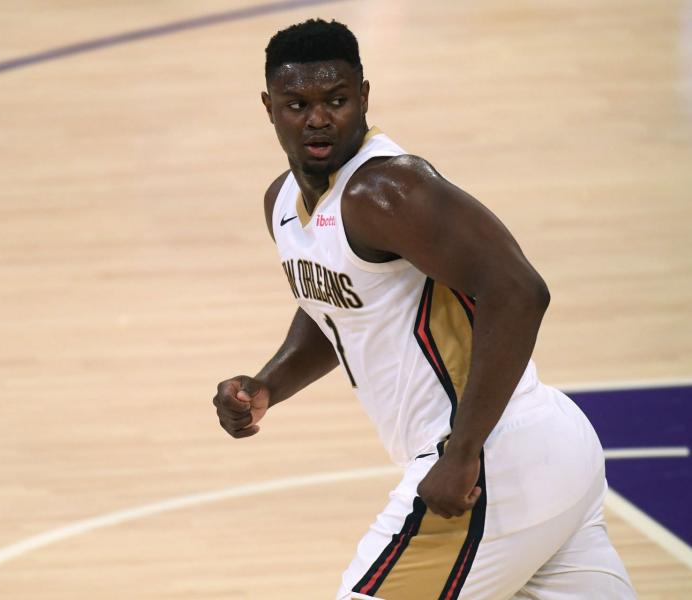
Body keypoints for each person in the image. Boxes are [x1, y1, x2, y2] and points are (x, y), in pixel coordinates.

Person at [211, 18, 636, 600]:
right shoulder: (284, 202)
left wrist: (464, 451)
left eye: (335, 99)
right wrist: (267, 386)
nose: (316, 118)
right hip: (544, 457)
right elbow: (336, 303)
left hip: (490, 458)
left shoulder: (386, 191)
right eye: (296, 103)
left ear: (364, 94)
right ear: (268, 107)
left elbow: (519, 291)